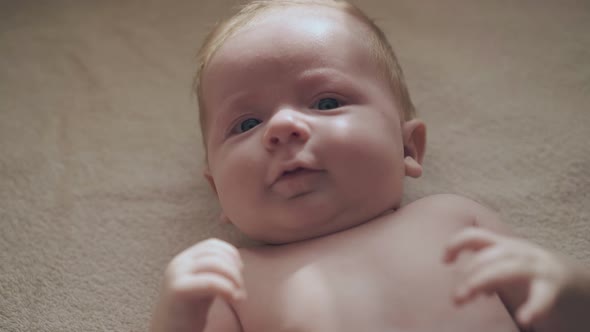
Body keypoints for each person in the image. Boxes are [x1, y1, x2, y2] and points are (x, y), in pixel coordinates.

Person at [150, 1, 590, 331]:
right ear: (218, 193)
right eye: (246, 123)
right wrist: (178, 316)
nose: (282, 127)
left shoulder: (452, 219)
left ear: (408, 148)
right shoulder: (233, 279)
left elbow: (555, 311)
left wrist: (565, 288)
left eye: (326, 102)